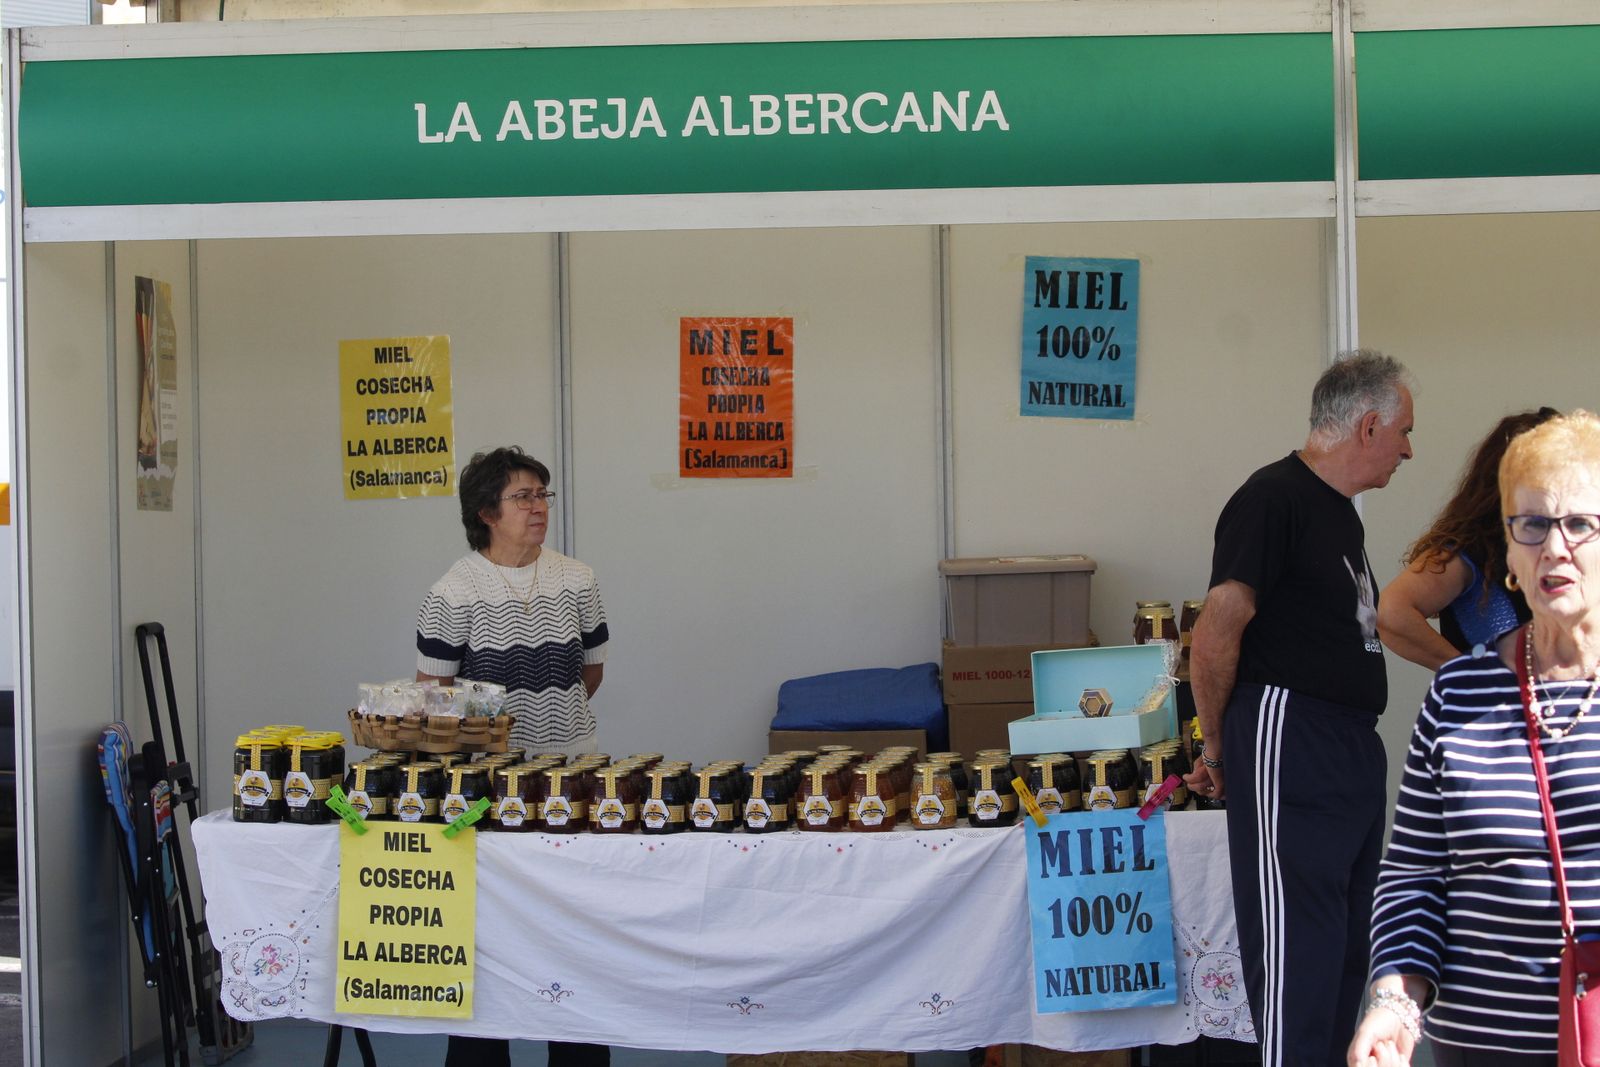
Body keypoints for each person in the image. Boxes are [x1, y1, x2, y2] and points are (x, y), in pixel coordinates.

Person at [1183, 350, 1415, 1067]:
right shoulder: (1272, 497)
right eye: (1404, 430)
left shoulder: (1338, 515)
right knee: (1298, 960)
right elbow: (1217, 627)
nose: (1409, 448)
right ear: (1368, 424)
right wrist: (1216, 747)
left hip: (1345, 742)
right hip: (1292, 732)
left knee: (1348, 947)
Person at [1349, 410, 1600, 1067]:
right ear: (1508, 549)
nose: (1556, 547)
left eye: (1579, 523)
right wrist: (1395, 1004)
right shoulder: (1459, 694)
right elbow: (1415, 875)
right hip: (1481, 1045)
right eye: (1533, 524)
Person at [416, 445, 610, 1067]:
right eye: (522, 497)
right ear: (486, 513)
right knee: (487, 936)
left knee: (574, 935)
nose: (538, 508)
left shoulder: (577, 578)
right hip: (488, 792)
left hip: (575, 780)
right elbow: (433, 694)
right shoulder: (452, 591)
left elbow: (592, 671)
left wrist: (554, 723)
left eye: (542, 495)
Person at [1378, 408, 1559, 670]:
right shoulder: (1471, 548)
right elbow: (1391, 613)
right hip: (1494, 709)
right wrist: (1466, 675)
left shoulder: (1567, 550)